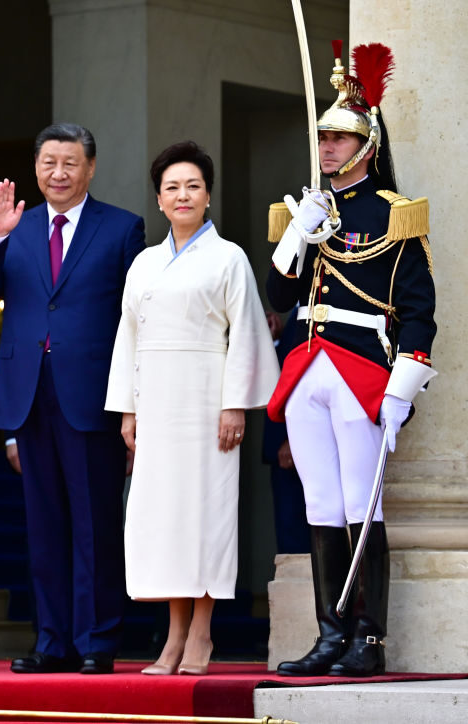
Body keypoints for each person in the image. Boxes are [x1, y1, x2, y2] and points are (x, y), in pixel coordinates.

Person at [267, 42, 436, 677]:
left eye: (340, 138)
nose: (328, 147)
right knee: (320, 504)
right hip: (308, 366)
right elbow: (280, 295)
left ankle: (370, 637)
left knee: (364, 508)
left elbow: (418, 309)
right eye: (324, 138)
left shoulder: (394, 215)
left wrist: (405, 384)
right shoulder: (306, 211)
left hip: (363, 368)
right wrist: (298, 233)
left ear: (366, 145)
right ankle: (329, 633)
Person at [0, 123, 146, 675]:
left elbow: (136, 321)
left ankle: (97, 640)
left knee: (94, 524)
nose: (59, 173)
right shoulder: (15, 227)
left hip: (93, 396)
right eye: (49, 163)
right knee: (42, 526)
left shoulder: (122, 228)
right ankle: (52, 641)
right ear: (36, 167)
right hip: (30, 396)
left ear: (90, 168)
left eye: (70, 163)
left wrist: (133, 405)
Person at [105, 141, 278, 676]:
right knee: (166, 518)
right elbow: (127, 337)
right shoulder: (144, 262)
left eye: (193, 186)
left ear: (208, 196)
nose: (183, 195)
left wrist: (235, 406)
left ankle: (200, 633)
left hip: (207, 404)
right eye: (172, 187)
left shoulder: (229, 258)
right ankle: (173, 635)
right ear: (159, 200)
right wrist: (128, 410)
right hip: (156, 404)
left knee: (206, 514)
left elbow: (247, 334)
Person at [262, 308, 311, 555]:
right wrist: (276, 340)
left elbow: (309, 375)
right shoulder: (297, 308)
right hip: (283, 444)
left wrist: (293, 438)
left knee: (299, 536)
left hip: (296, 443)